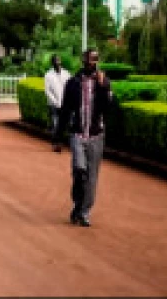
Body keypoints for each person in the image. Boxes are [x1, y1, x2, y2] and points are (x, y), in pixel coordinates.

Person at [54, 48, 114, 228]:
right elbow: (65, 111)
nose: (90, 64)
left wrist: (103, 87)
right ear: (83, 61)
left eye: (94, 61)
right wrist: (57, 137)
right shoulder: (72, 83)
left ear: (97, 62)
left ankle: (84, 212)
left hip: (96, 136)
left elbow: (108, 109)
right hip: (78, 134)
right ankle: (78, 203)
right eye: (88, 60)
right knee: (79, 171)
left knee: (92, 178)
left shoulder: (104, 83)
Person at [44, 55, 71, 152]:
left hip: (65, 104)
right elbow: (47, 91)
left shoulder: (66, 73)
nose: (57, 62)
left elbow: (70, 87)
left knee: (64, 125)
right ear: (52, 63)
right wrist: (55, 102)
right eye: (55, 61)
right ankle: (56, 143)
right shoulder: (48, 75)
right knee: (55, 124)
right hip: (53, 105)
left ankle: (61, 142)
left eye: (59, 60)